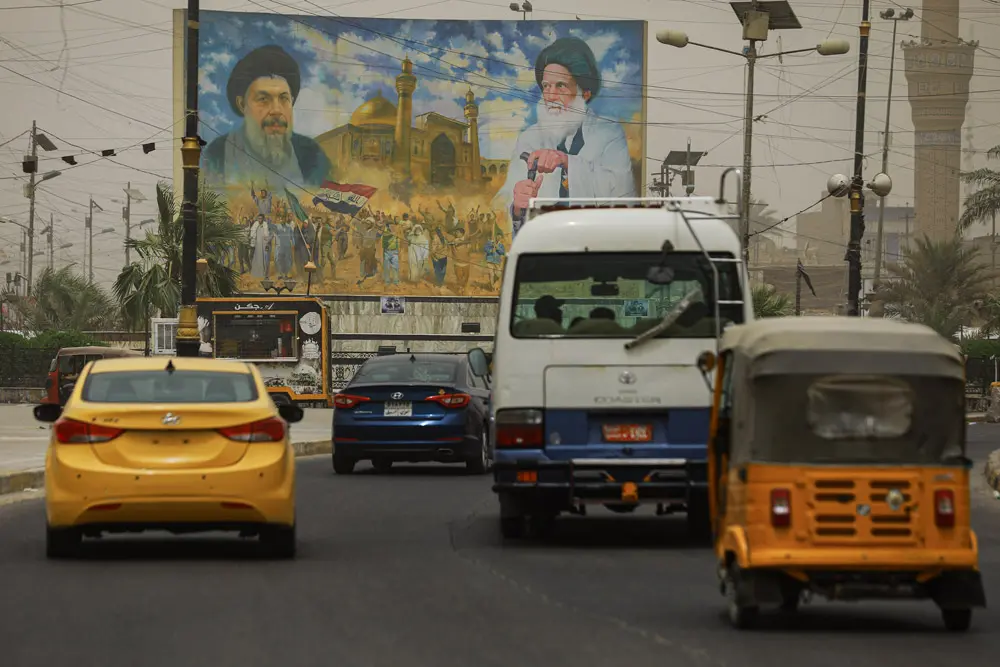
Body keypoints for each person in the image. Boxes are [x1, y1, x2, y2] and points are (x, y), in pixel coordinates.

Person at [492, 37, 636, 233]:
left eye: (560, 86)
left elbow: (622, 194)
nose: (550, 96)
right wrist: (518, 206)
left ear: (584, 93)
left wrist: (566, 161)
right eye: (546, 86)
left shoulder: (608, 133)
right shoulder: (530, 138)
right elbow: (510, 205)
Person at [203, 45, 333, 188]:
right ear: (242, 105)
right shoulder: (219, 154)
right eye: (263, 99)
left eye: (284, 99)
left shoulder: (312, 156)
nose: (276, 110)